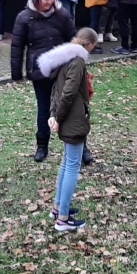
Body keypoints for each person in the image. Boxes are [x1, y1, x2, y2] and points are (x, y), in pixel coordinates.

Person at [38, 27, 99, 232]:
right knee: (72, 167)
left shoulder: (65, 57)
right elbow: (68, 92)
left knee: (66, 164)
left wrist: (54, 114)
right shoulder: (78, 61)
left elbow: (56, 89)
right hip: (73, 120)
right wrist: (58, 117)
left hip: (65, 117)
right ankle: (63, 219)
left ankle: (58, 208)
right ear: (91, 45)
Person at [10, 0, 77, 163]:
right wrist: (16, 73)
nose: (50, 2)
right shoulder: (24, 18)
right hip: (40, 70)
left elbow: (73, 40)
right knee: (44, 108)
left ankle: (79, 145)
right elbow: (17, 46)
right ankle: (42, 146)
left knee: (70, 106)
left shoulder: (62, 15)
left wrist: (77, 66)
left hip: (62, 68)